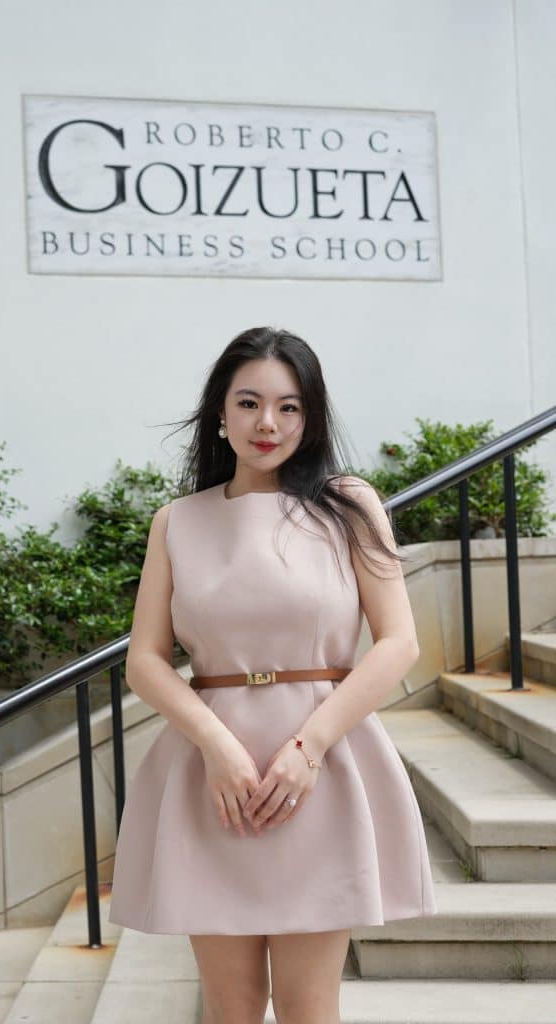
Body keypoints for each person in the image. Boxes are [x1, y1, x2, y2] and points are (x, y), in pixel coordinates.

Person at [107, 326, 437, 1024]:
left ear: (311, 416)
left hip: (319, 769)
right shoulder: (178, 522)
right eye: (250, 402)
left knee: (308, 1006)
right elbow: (145, 659)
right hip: (212, 779)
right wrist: (216, 745)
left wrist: (309, 746)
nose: (268, 423)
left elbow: (398, 643)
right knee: (229, 1007)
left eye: (289, 407)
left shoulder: (349, 507)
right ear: (219, 413)